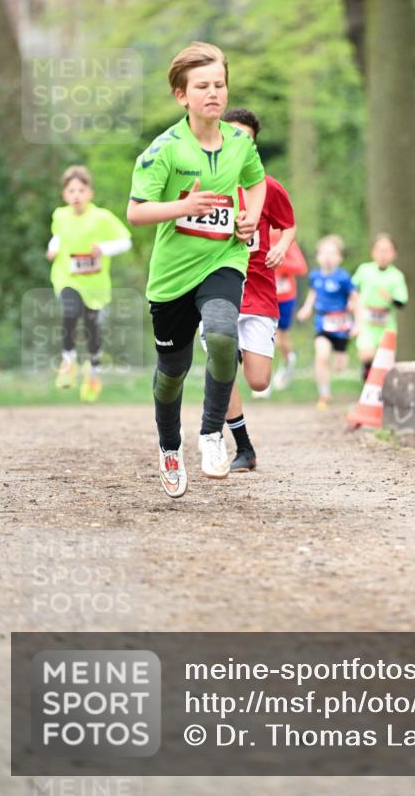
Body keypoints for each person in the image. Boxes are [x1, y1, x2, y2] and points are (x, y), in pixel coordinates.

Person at [127, 42, 266, 500]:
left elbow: (255, 181)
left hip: (224, 259)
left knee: (224, 334)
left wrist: (249, 217)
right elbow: (136, 212)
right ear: (181, 95)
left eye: (220, 84)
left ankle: (211, 435)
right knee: (173, 370)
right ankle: (170, 447)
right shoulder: (163, 150)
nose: (213, 93)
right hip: (172, 276)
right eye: (202, 86)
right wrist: (183, 206)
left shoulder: (241, 142)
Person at [212, 107, 297, 472]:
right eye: (231, 135)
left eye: (245, 138)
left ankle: (244, 352)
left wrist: (281, 245)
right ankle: (243, 448)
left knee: (259, 382)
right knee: (223, 364)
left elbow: (289, 224)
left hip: (260, 292)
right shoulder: (212, 184)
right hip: (220, 290)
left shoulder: (268, 186)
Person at [46, 165, 132, 402]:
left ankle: (93, 373)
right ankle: (69, 360)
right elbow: (58, 236)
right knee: (69, 311)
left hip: (95, 284)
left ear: (90, 193)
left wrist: (102, 248)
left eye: (81, 190)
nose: (76, 195)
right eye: (71, 190)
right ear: (64, 194)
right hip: (66, 277)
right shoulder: (59, 215)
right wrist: (52, 248)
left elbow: (126, 241)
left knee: (92, 328)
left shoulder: (101, 217)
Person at [296, 234, 354, 410]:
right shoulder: (315, 276)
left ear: (339, 257)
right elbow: (314, 293)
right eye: (324, 253)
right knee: (321, 356)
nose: (328, 257)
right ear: (318, 257)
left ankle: (341, 356)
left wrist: (357, 322)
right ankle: (324, 393)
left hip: (341, 325)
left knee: (339, 366)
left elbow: (354, 298)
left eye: (332, 253)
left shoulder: (343, 278)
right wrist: (307, 308)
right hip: (322, 323)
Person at [351, 233, 409, 381]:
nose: (383, 254)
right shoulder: (364, 270)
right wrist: (352, 302)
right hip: (367, 320)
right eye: (379, 250)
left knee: (384, 360)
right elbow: (352, 288)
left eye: (387, 250)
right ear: (372, 252)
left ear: (394, 253)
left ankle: (380, 390)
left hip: (386, 323)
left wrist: (390, 298)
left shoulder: (397, 276)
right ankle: (367, 376)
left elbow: (402, 302)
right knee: (367, 354)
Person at [272, 230, 308, 392]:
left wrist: (279, 261)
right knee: (264, 337)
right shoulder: (256, 235)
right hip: (264, 296)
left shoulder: (287, 241)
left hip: (285, 297)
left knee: (281, 338)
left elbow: (301, 267)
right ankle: (263, 382)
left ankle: (288, 360)